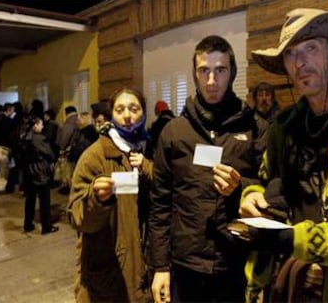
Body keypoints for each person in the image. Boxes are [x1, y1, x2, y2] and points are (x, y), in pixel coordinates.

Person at [238, 8, 328, 303]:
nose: (300, 63)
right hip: (290, 285)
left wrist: (304, 242)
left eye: (311, 48)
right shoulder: (284, 127)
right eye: (290, 54)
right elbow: (268, 183)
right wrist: (252, 196)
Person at [148, 35, 260, 303]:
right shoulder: (174, 131)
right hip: (185, 265)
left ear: (232, 72)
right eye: (204, 71)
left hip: (235, 263)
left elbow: (270, 189)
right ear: (195, 74)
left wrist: (240, 187)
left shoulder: (253, 127)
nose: (212, 81)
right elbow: (160, 204)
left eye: (220, 70)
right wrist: (160, 267)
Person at [67, 87, 153, 302]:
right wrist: (96, 199)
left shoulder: (149, 149)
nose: (127, 116)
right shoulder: (95, 156)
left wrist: (149, 168)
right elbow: (76, 217)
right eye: (120, 109)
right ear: (111, 115)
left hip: (147, 268)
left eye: (134, 109)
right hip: (109, 276)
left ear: (143, 112)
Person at [22, 116, 58, 235]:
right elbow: (50, 154)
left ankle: (28, 224)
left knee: (30, 200)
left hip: (28, 172)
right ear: (35, 126)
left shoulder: (25, 137)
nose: (42, 126)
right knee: (44, 200)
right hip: (40, 172)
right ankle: (46, 226)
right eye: (41, 124)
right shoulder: (39, 139)